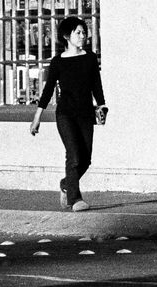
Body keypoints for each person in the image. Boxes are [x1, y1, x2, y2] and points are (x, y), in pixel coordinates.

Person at [30, 16, 106, 212]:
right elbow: (47, 92)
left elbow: (96, 86)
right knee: (73, 156)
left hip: (85, 113)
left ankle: (66, 184)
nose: (83, 36)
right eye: (78, 33)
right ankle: (75, 199)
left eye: (84, 32)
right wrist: (37, 118)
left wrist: (101, 106)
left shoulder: (89, 58)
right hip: (65, 115)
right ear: (67, 36)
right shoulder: (58, 62)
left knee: (85, 159)